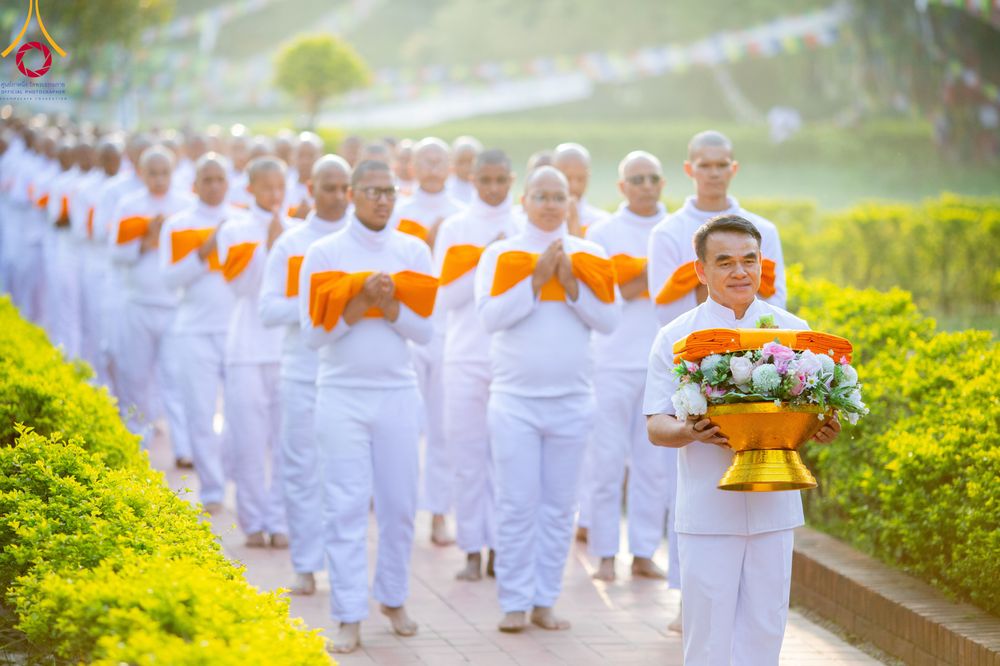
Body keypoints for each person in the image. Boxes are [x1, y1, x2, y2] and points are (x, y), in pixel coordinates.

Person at [644, 215, 841, 666]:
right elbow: (656, 424)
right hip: (707, 511)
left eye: (749, 260)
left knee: (766, 630)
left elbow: (810, 413)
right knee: (708, 634)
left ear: (761, 264)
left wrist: (821, 428)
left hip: (775, 506)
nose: (739, 272)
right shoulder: (677, 337)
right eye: (725, 261)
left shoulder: (794, 332)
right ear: (701, 270)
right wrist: (689, 431)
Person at [298, 160, 437, 654]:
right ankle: (348, 613)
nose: (382, 199)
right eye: (372, 191)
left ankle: (393, 598)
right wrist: (358, 302)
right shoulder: (323, 252)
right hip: (340, 393)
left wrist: (392, 303)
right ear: (353, 194)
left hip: (397, 392)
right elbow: (312, 336)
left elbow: (425, 331)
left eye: (389, 191)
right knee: (345, 506)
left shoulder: (413, 250)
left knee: (400, 506)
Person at [474, 166, 620, 633]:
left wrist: (572, 284)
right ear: (525, 199)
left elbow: (608, 320)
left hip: (573, 400)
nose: (551, 204)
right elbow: (490, 318)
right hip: (514, 400)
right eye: (541, 195)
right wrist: (536, 280)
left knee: (560, 506)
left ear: (570, 202)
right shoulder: (500, 254)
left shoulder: (592, 253)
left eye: (559, 196)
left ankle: (544, 600)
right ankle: (514, 601)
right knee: (517, 503)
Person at [583, 151, 677, 584]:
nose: (644, 185)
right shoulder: (601, 233)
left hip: (661, 363)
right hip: (610, 361)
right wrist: (653, 280)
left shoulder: (677, 231)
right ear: (622, 186)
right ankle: (604, 552)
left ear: (663, 183)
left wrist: (641, 282)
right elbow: (603, 295)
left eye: (652, 177)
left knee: (653, 464)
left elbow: (680, 294)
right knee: (606, 460)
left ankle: (642, 551)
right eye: (635, 178)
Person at [259, 155, 352, 595]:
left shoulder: (363, 241)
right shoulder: (291, 244)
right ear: (310, 188)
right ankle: (305, 564)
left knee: (346, 476)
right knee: (300, 469)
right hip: (302, 372)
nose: (336, 196)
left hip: (351, 376)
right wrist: (317, 301)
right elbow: (267, 309)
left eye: (343, 188)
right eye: (327, 187)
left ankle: (342, 565)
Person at [434, 149, 521, 581]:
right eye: (484, 180)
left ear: (511, 179)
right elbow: (444, 298)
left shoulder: (525, 225)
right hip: (464, 355)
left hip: (511, 359)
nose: (492, 188)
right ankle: (471, 547)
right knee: (468, 457)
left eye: (500, 180)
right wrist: (487, 258)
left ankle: (502, 549)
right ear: (471, 180)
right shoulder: (455, 228)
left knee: (507, 459)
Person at [392, 137, 465, 546]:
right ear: (413, 167)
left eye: (441, 159)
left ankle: (439, 512)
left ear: (451, 165)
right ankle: (400, 507)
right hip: (407, 328)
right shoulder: (398, 214)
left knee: (441, 426)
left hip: (448, 332)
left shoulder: (461, 216)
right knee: (403, 423)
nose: (434, 167)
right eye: (426, 160)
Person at [216, 156, 290, 548]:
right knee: (248, 440)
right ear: (251, 189)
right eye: (267, 188)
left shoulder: (297, 230)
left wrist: (281, 239)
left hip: (284, 350)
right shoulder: (235, 230)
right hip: (245, 348)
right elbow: (242, 287)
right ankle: (253, 521)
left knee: (285, 442)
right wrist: (270, 247)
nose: (275, 195)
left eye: (280, 187)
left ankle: (280, 519)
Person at [158, 153, 236, 513]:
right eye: (207, 179)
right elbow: (170, 279)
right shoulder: (178, 225)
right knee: (201, 412)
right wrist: (203, 254)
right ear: (195, 184)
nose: (214, 185)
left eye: (220, 179)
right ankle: (212, 489)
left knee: (240, 416)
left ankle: (240, 481)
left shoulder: (243, 221)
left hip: (237, 332)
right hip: (194, 330)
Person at [648, 130, 786, 329]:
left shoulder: (764, 230)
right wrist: (737, 288)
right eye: (704, 165)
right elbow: (665, 313)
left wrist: (710, 283)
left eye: (722, 165)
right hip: (692, 347)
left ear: (734, 168)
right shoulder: (666, 233)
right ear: (689, 169)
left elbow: (777, 305)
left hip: (755, 347)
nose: (714, 173)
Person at [108, 145, 194, 455]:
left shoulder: (186, 206)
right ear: (141, 174)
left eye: (164, 173)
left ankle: (184, 450)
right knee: (136, 378)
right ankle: (138, 447)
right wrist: (144, 242)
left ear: (173, 173)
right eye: (153, 173)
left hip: (174, 306)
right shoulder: (128, 205)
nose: (159, 179)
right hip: (138, 304)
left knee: (175, 379)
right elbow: (115, 254)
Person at [553, 142, 609, 237]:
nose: (574, 186)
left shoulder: (602, 222)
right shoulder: (534, 219)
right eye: (567, 178)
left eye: (581, 179)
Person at [446, 135, 482, 203]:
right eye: (461, 162)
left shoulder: (486, 187)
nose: (466, 167)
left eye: (470, 161)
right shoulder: (445, 189)